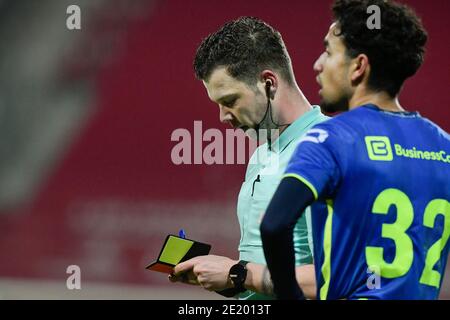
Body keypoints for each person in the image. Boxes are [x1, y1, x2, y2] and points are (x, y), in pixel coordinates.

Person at [260, 0, 449, 300]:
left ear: (358, 66)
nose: (317, 64)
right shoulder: (444, 146)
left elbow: (274, 224)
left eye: (329, 51)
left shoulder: (331, 137)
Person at [170, 17, 328, 299]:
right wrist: (225, 278)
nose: (223, 117)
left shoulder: (327, 148)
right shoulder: (261, 152)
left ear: (268, 83)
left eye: (230, 101)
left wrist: (237, 274)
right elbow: (265, 274)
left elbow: (334, 278)